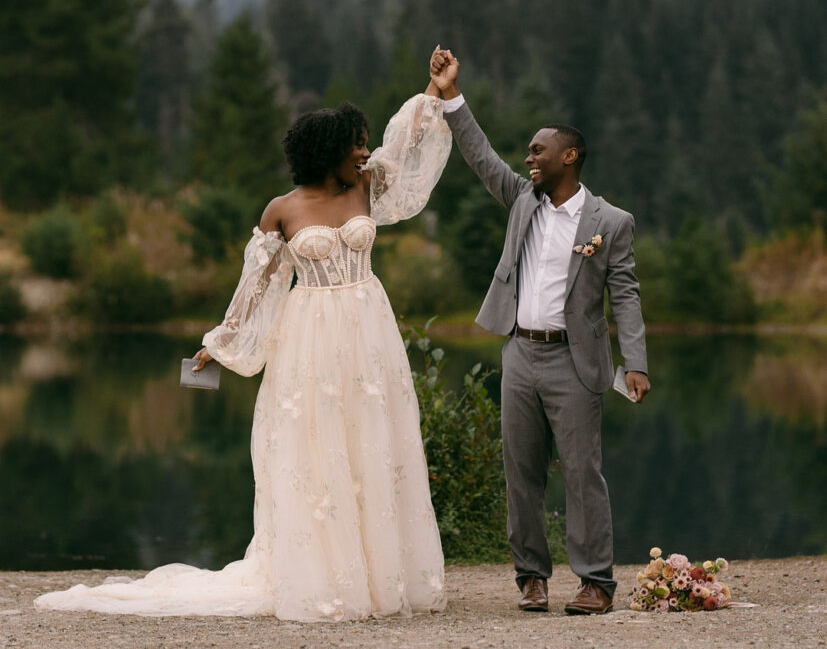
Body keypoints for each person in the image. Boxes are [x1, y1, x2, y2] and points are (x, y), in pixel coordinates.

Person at [36, 85, 451, 621]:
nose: (364, 153)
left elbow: (406, 147)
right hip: (312, 336)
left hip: (369, 329)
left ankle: (380, 576)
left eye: (365, 144)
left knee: (373, 439)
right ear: (327, 150)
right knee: (318, 447)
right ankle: (328, 577)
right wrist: (219, 342)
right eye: (354, 145)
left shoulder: (367, 188)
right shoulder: (283, 209)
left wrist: (434, 93)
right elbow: (259, 285)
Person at [429, 45, 650, 616]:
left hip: (577, 362)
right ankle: (531, 577)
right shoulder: (521, 202)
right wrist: (451, 95)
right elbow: (480, 156)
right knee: (521, 472)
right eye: (528, 150)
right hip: (520, 353)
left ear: (569, 155)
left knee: (583, 473)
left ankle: (596, 583)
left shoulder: (611, 223)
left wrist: (639, 361)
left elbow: (624, 293)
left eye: (539, 149)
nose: (529, 157)